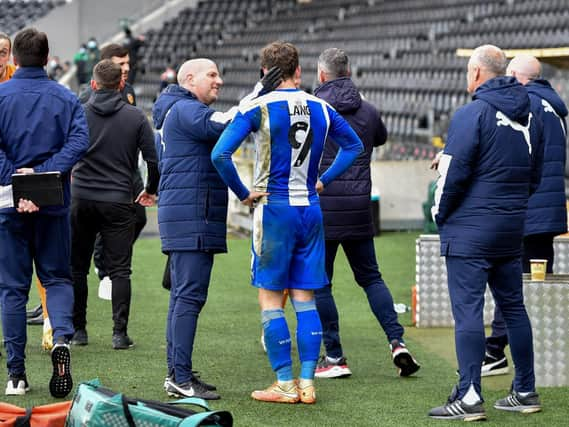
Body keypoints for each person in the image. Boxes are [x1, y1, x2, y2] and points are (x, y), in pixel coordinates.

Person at [212, 41, 363, 404]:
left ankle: (283, 383)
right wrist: (322, 179)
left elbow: (220, 154)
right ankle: (308, 383)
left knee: (270, 299)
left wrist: (243, 191)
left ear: (265, 73)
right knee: (305, 298)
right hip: (310, 209)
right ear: (299, 72)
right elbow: (354, 147)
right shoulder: (322, 107)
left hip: (274, 210)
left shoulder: (258, 107)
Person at [153, 57, 282, 400]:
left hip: (189, 214)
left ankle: (177, 373)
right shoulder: (185, 110)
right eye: (212, 74)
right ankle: (179, 377)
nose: (219, 80)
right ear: (189, 79)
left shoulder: (177, 110)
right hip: (191, 216)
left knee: (184, 297)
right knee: (188, 298)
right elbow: (226, 123)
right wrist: (260, 91)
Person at [428, 45, 543, 420]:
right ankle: (525, 390)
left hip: (471, 232)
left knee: (468, 314)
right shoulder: (532, 116)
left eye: (467, 71)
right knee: (513, 308)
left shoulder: (471, 114)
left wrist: (440, 215)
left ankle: (471, 396)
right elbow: (535, 176)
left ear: (477, 73)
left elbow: (452, 176)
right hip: (511, 229)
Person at [312, 48, 420, 379]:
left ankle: (334, 358)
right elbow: (382, 138)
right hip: (359, 206)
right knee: (371, 277)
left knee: (321, 283)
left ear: (321, 75)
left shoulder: (314, 109)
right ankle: (397, 341)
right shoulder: (368, 110)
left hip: (323, 205)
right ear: (349, 71)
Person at [0, 28, 90, 397]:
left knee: (12, 289)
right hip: (54, 202)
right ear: (48, 55)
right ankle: (62, 338)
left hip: (8, 204)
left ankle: (17, 374)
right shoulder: (66, 97)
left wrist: (19, 181)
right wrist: (44, 176)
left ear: (13, 58)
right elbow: (80, 141)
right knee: (57, 279)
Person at [482, 54, 568, 377]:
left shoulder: (526, 106)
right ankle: (540, 352)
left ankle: (494, 352)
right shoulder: (556, 108)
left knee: (511, 285)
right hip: (550, 211)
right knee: (538, 284)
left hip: (525, 208)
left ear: (518, 77)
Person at [70, 59, 158, 349]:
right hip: (119, 199)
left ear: (93, 85)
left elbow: (65, 152)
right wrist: (150, 189)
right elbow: (153, 160)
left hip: (81, 197)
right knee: (120, 269)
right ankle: (119, 334)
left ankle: (79, 331)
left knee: (77, 267)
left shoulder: (79, 113)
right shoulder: (135, 117)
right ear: (121, 84)